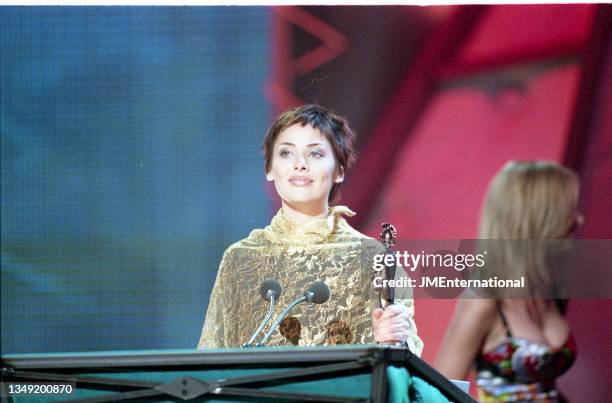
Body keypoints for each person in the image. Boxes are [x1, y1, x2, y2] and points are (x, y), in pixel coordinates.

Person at [198, 104, 423, 354]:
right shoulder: (241, 258)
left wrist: (394, 341)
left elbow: (405, 363)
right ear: (270, 169)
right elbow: (211, 355)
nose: (300, 164)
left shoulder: (375, 260)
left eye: (315, 154)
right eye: (286, 153)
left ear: (338, 170)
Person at [434, 161, 580, 402]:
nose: (578, 220)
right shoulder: (485, 302)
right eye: (566, 211)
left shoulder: (554, 291)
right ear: (537, 219)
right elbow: (437, 395)